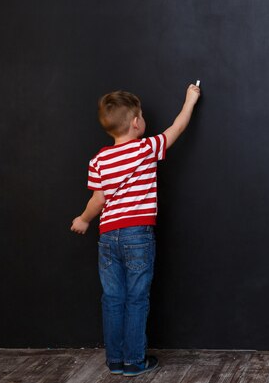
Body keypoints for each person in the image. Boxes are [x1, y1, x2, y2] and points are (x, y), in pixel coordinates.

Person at [70, 85, 201, 376]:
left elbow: (98, 200)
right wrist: (190, 99)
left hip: (108, 236)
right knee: (137, 298)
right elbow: (177, 128)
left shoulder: (99, 160)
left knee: (112, 298)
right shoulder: (146, 149)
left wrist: (83, 219)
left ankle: (114, 360)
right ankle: (134, 361)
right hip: (137, 236)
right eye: (141, 115)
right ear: (135, 122)